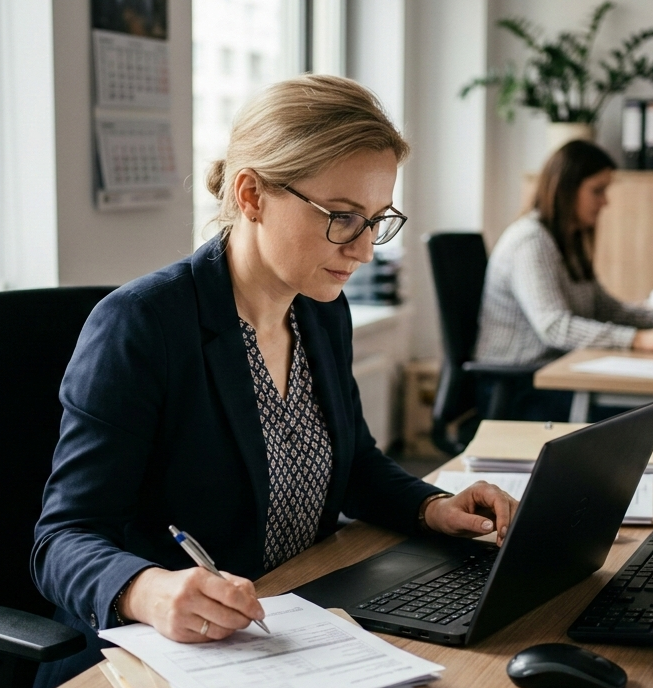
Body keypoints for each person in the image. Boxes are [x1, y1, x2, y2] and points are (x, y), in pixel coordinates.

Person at [30, 74, 520, 686]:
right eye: (342, 217)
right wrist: (148, 589)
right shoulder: (142, 325)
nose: (364, 249)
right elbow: (63, 539)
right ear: (253, 195)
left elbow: (355, 465)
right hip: (162, 655)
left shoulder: (319, 306)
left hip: (304, 622)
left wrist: (432, 507)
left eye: (376, 219)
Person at [473, 140, 653, 420]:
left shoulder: (567, 240)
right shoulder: (531, 241)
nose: (605, 201)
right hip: (521, 388)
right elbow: (555, 327)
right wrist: (639, 339)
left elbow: (605, 308)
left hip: (558, 373)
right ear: (565, 189)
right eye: (597, 191)